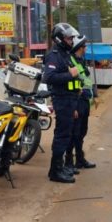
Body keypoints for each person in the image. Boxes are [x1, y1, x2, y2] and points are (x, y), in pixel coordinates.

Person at [42, 23, 82, 183]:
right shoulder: (54, 55)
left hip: (69, 99)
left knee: (66, 135)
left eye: (72, 38)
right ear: (59, 39)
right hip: (62, 100)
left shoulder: (65, 54)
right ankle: (55, 171)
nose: (71, 41)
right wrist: (69, 75)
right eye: (68, 38)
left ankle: (60, 167)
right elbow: (49, 77)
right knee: (62, 135)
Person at [66, 35, 97, 171]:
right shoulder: (70, 61)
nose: (85, 49)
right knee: (74, 133)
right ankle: (69, 162)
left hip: (84, 101)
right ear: (79, 48)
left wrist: (93, 95)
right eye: (84, 46)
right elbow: (73, 82)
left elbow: (86, 79)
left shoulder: (81, 60)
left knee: (82, 132)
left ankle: (79, 159)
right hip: (76, 101)